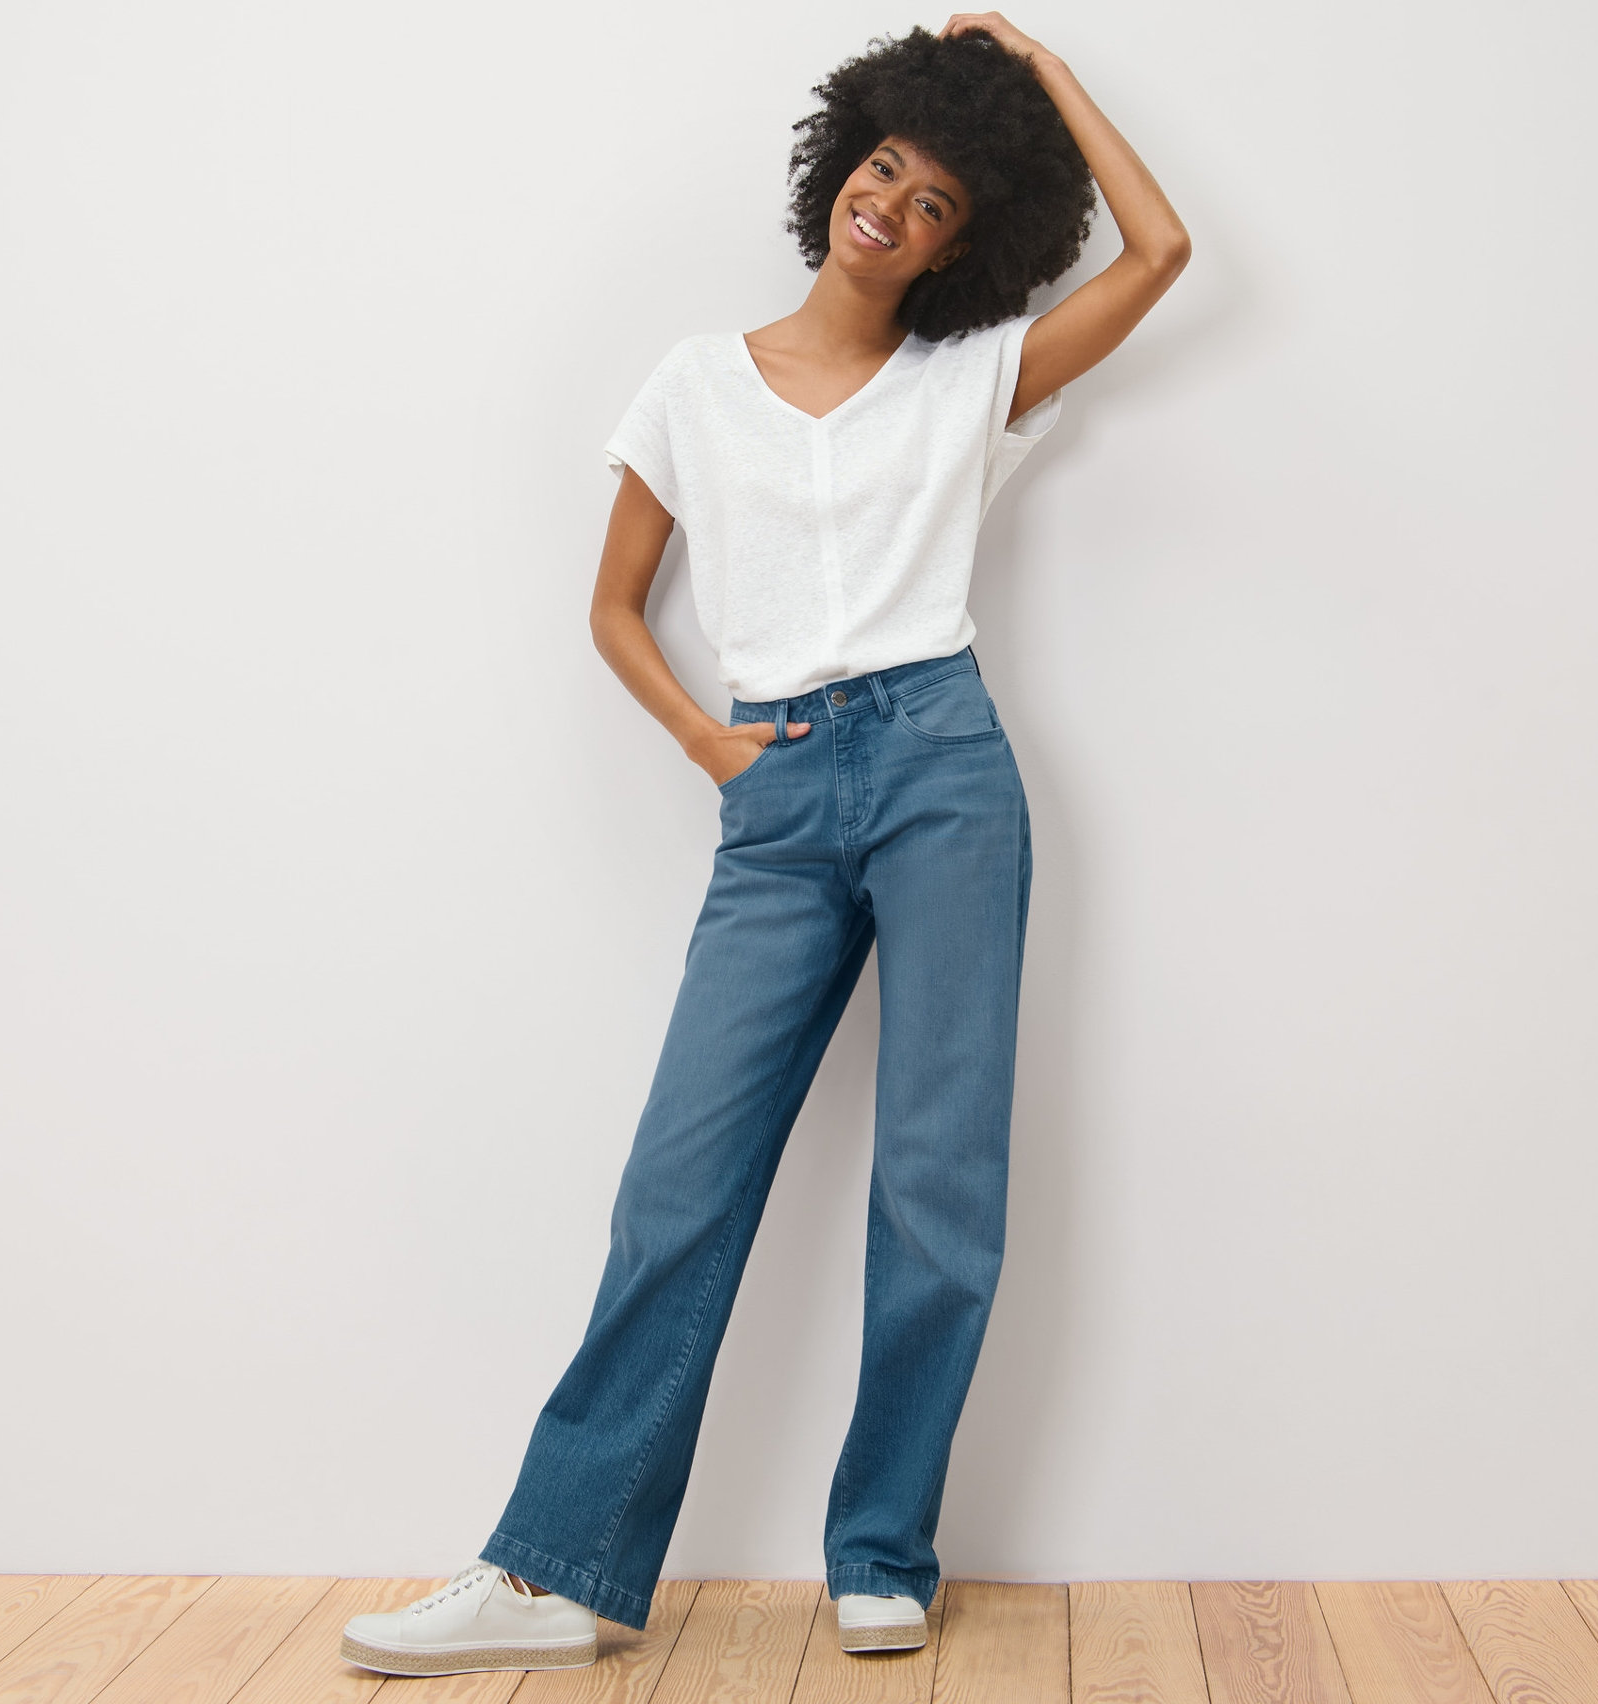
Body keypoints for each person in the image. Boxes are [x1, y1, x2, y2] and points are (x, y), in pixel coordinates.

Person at [341, 11, 1189, 1679]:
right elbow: (610, 606)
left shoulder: (973, 380)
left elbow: (1161, 250)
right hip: (781, 790)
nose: (894, 204)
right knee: (678, 1192)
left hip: (946, 762)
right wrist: (715, 745)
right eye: (885, 167)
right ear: (837, 168)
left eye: (941, 198)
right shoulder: (690, 382)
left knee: (940, 1184)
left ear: (969, 237)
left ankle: (883, 1553)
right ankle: (557, 1571)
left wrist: (1034, 64)